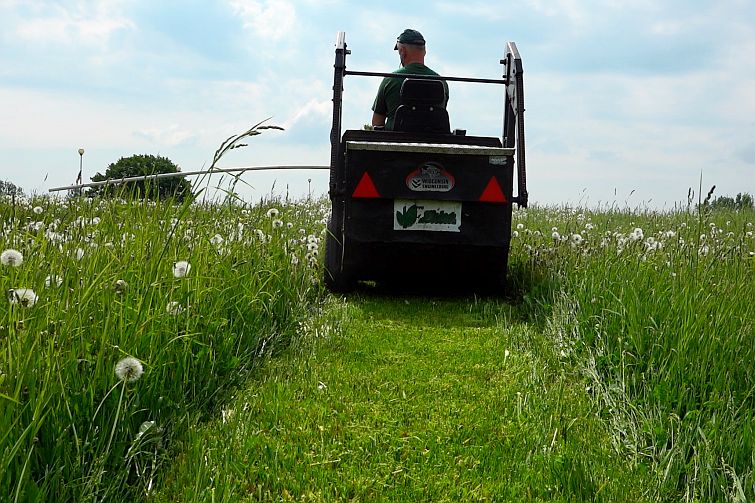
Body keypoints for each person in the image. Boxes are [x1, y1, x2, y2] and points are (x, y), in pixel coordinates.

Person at [371, 29, 449, 131]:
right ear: (424, 51)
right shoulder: (442, 83)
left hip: (395, 144)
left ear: (402, 51)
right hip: (433, 143)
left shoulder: (390, 80)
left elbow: (377, 122)